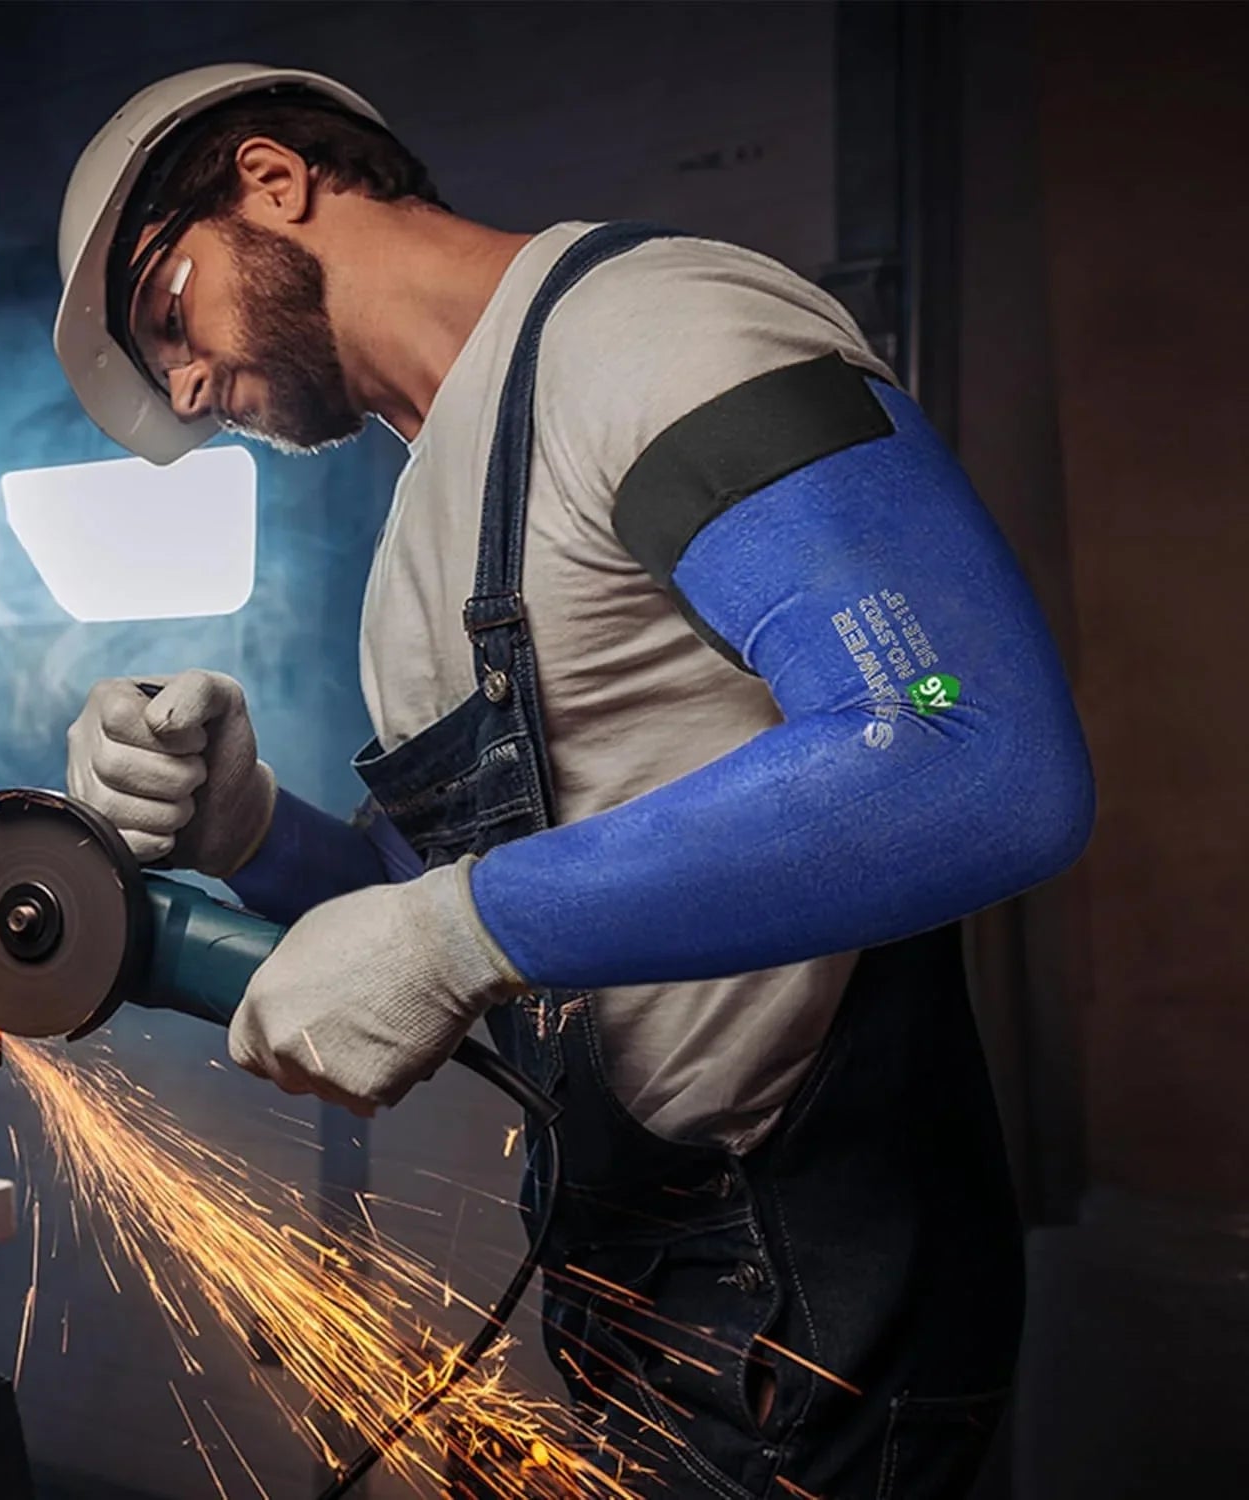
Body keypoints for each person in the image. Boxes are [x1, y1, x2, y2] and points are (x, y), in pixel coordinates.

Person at [56, 64, 1094, 1499]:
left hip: (809, 1298)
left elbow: (964, 746)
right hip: (642, 1298)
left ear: (274, 179)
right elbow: (438, 913)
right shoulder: (429, 519)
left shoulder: (650, 330)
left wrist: (456, 928)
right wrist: (247, 826)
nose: (182, 385)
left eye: (168, 310)